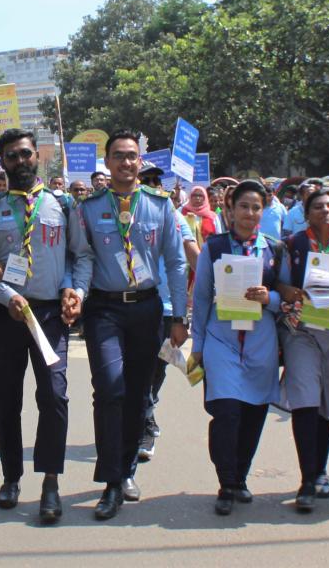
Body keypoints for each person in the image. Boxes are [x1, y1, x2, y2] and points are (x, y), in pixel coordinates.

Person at [0, 129, 92, 524]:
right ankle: (11, 476)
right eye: (11, 156)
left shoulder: (63, 203)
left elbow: (81, 255)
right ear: (2, 163)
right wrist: (7, 297)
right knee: (5, 399)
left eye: (25, 153)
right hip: (8, 316)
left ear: (36, 156)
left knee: (54, 396)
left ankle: (51, 481)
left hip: (48, 316)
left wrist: (74, 290)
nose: (20, 161)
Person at [76, 130, 188, 520]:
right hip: (104, 310)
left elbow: (176, 262)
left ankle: (125, 472)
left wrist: (179, 316)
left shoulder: (160, 205)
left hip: (148, 309)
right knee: (109, 389)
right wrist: (76, 291)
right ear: (106, 163)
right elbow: (84, 257)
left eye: (132, 156)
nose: (126, 162)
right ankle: (109, 482)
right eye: (118, 156)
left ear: (140, 162)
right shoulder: (88, 208)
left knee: (139, 393)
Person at [191, 180, 283, 516]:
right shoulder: (214, 249)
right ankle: (226, 482)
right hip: (222, 343)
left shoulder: (275, 250)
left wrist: (269, 298)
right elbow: (200, 298)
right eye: (243, 206)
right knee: (227, 412)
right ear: (229, 210)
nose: (249, 213)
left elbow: (287, 301)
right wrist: (197, 345)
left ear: (263, 211)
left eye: (256, 207)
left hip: (261, 345)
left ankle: (241, 476)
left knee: (254, 415)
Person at [276, 188, 329, 514]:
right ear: (306, 213)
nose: (326, 210)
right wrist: (288, 290)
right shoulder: (293, 245)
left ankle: (320, 469)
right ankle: (307, 480)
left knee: (327, 404)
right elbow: (278, 283)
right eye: (318, 206)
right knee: (305, 400)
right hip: (301, 330)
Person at [136, 164, 198, 462]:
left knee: (158, 368)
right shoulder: (125, 213)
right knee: (139, 369)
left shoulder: (174, 216)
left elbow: (191, 254)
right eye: (144, 180)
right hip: (133, 304)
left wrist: (217, 289)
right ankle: (145, 421)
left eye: (155, 181)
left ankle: (147, 411)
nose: (151, 184)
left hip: (168, 307)